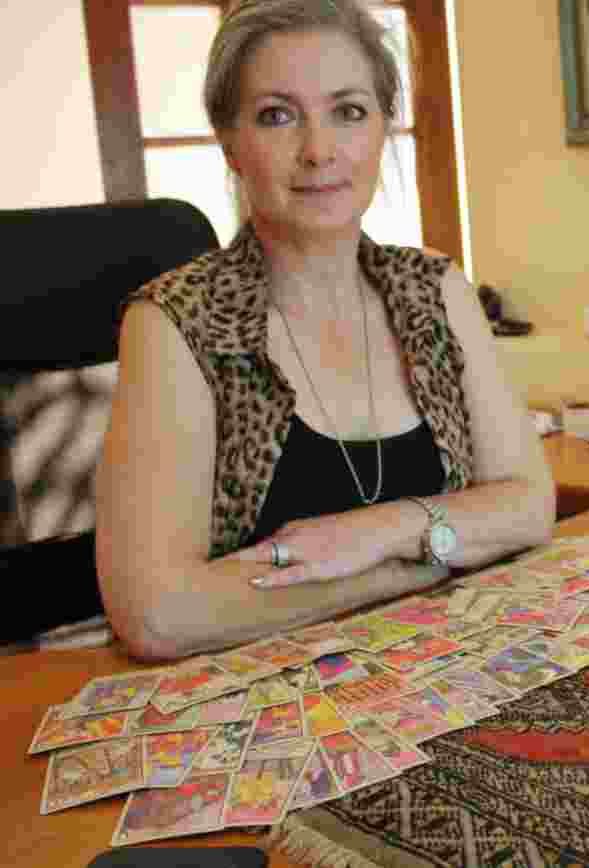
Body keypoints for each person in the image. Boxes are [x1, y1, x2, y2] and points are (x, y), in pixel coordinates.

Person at [95, 0, 555, 661]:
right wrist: (433, 555)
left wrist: (380, 529)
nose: (319, 151)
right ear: (230, 143)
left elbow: (531, 504)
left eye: (350, 111)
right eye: (277, 115)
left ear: (381, 129)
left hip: (446, 676)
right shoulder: (175, 321)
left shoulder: (435, 289)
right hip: (254, 716)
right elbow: (156, 614)